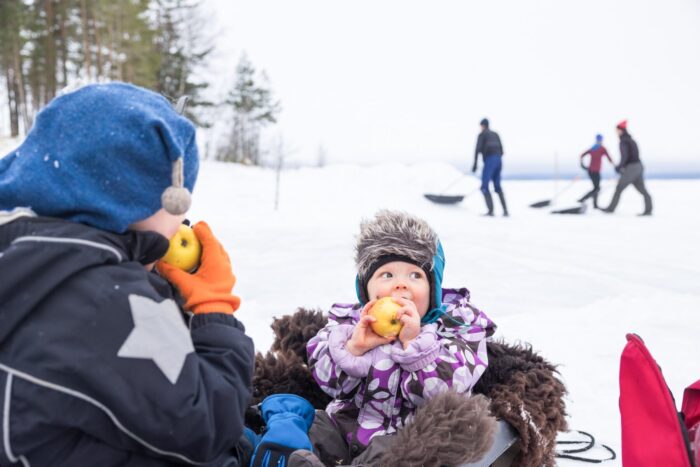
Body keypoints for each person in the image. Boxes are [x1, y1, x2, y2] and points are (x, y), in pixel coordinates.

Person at [0, 83, 256, 466]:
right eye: (181, 199)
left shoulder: (29, 258)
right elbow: (206, 425)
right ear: (143, 196)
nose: (183, 222)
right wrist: (214, 308)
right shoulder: (109, 299)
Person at [303, 210, 497, 466]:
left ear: (433, 289)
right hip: (347, 428)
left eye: (415, 275)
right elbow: (324, 378)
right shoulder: (348, 323)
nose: (401, 285)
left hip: (408, 439)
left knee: (391, 454)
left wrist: (415, 347)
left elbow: (447, 392)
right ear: (365, 288)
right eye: (387, 275)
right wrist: (353, 349)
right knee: (314, 428)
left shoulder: (456, 327)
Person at [602, 120, 653, 215]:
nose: (616, 132)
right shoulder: (631, 140)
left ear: (621, 130)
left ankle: (610, 209)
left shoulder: (623, 141)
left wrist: (619, 167)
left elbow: (624, 156)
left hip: (632, 168)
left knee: (619, 188)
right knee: (642, 190)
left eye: (616, 130)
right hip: (639, 166)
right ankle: (648, 210)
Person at [473, 118, 508, 216]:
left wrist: (475, 164)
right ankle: (505, 211)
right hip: (499, 160)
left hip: (490, 160)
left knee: (484, 186)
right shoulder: (496, 134)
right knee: (497, 186)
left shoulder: (482, 135)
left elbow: (477, 149)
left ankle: (491, 211)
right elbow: (502, 150)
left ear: (482, 125)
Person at [578, 134, 613, 208]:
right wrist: (616, 166)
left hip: (591, 171)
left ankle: (594, 204)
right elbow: (609, 158)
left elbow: (581, 155)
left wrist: (583, 165)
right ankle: (582, 200)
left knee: (596, 188)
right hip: (594, 171)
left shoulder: (593, 148)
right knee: (597, 188)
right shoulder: (601, 148)